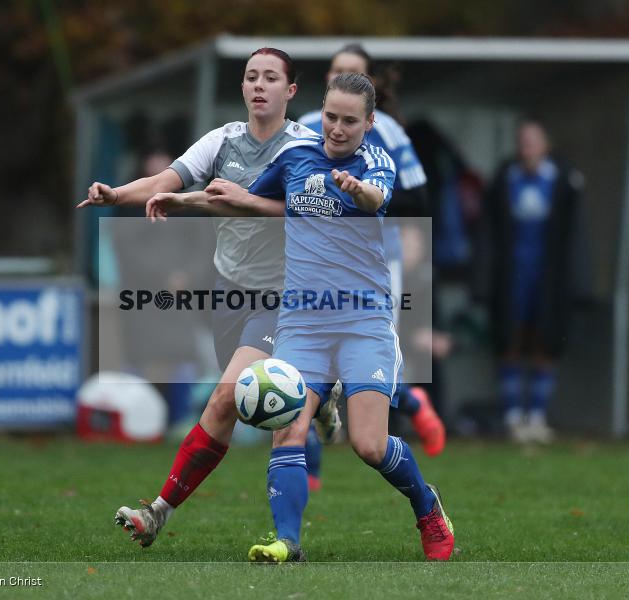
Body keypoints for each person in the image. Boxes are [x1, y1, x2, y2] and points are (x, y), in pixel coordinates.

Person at [76, 48, 336, 547]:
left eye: (270, 78)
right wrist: (116, 194)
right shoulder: (222, 141)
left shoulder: (306, 146)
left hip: (286, 293)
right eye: (251, 77)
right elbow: (164, 182)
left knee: (229, 400)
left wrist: (242, 202)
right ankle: (323, 391)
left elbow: (315, 213)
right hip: (230, 290)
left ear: (291, 91)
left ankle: (163, 514)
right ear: (242, 88)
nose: (259, 85)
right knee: (228, 407)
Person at [240, 73, 454, 562]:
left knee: (369, 445)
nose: (337, 129)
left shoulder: (375, 160)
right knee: (289, 427)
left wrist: (357, 190)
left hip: (363, 320)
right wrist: (182, 198)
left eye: (350, 121)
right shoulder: (295, 155)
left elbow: (376, 199)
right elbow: (256, 199)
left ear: (369, 122)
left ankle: (427, 506)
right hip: (302, 321)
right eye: (331, 117)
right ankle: (288, 543)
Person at [296, 44, 445, 491]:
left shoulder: (390, 136)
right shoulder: (302, 129)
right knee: (296, 375)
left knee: (362, 366)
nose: (343, 77)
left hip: (375, 269)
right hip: (310, 270)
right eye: (337, 70)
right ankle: (311, 469)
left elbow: (418, 195)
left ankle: (409, 403)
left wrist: (372, 202)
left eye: (354, 72)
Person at [479, 118, 582, 443]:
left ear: (546, 145)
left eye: (533, 140)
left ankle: (536, 416)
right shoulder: (503, 179)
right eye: (523, 140)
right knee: (510, 340)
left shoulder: (564, 180)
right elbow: (488, 232)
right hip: (512, 276)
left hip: (548, 278)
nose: (527, 147)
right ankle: (513, 417)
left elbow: (576, 236)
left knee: (545, 342)